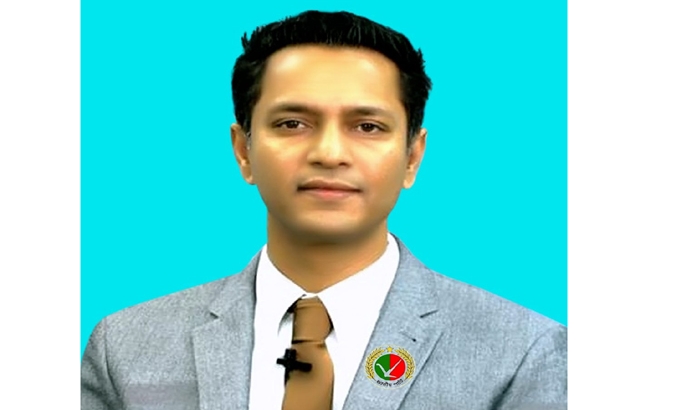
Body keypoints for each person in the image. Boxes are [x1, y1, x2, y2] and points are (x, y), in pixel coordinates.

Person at [81, 10, 567, 410]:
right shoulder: (124, 347)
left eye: (368, 127)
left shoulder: (523, 353)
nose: (330, 153)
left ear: (412, 157)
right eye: (292, 123)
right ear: (244, 150)